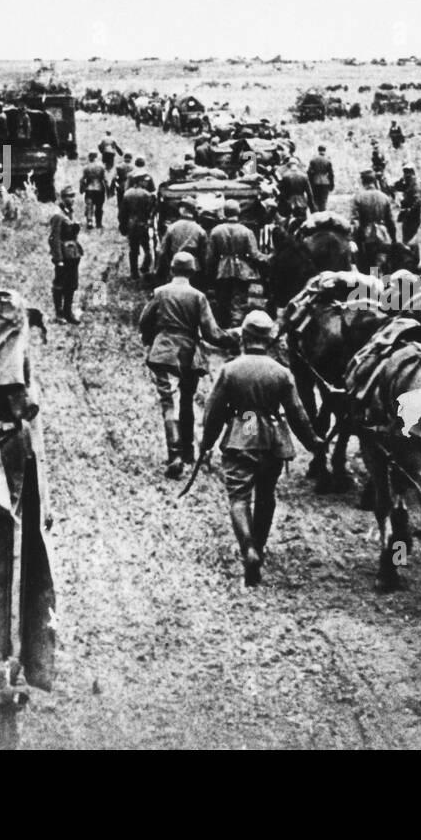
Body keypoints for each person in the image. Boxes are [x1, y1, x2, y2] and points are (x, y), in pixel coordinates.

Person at [199, 310, 324, 586]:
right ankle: (260, 545)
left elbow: (214, 413)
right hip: (271, 438)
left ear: (243, 336)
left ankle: (248, 550)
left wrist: (206, 444)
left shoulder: (230, 370)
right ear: (268, 341)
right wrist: (313, 442)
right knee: (266, 496)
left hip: (241, 435)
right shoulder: (282, 373)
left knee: (239, 498)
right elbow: (297, 413)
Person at [140, 252, 234, 475]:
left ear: (172, 269)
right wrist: (231, 338)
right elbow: (211, 332)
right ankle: (189, 451)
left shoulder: (160, 293)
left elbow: (144, 321)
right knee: (186, 401)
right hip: (190, 354)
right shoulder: (198, 296)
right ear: (192, 271)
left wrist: (151, 340)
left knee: (168, 402)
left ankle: (175, 455)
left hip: (164, 352)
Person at [208, 199, 263, 327]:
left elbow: (210, 256)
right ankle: (237, 325)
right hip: (243, 270)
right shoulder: (246, 231)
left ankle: (224, 327)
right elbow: (254, 254)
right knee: (240, 300)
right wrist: (268, 257)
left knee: (223, 300)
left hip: (223, 269)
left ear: (225, 212)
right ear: (238, 212)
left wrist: (211, 272)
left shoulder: (216, 231)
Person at [47, 186, 84, 324]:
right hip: (63, 255)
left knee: (72, 284)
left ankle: (69, 312)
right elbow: (54, 238)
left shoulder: (69, 212)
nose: (72, 199)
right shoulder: (58, 215)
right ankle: (59, 313)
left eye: (73, 196)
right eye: (69, 196)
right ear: (62, 198)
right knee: (60, 284)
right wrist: (58, 259)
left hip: (73, 254)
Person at [350, 169, 396, 271]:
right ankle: (386, 285)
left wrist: (352, 239)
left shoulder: (358, 198)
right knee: (384, 267)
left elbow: (355, 223)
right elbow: (390, 222)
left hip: (366, 238)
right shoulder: (384, 197)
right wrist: (393, 239)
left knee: (368, 270)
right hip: (383, 236)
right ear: (374, 181)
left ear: (362, 182)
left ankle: (369, 286)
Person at [157, 199, 209, 282]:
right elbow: (204, 254)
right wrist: (205, 273)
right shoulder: (200, 230)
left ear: (182, 210)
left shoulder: (172, 228)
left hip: (176, 266)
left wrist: (160, 273)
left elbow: (163, 252)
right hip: (194, 268)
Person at [121, 171, 156, 280]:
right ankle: (145, 266)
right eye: (144, 181)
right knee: (146, 247)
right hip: (143, 224)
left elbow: (123, 213)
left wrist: (123, 226)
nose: (146, 183)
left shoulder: (127, 194)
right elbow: (151, 210)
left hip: (131, 224)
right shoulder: (146, 194)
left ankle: (134, 272)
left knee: (133, 249)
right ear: (140, 181)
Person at [79, 152, 109, 229]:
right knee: (99, 207)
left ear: (89, 157)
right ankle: (98, 223)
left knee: (89, 206)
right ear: (96, 156)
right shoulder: (102, 166)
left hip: (89, 189)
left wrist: (82, 188)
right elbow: (105, 179)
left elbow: (82, 179)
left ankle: (89, 221)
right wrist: (108, 190)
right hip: (99, 189)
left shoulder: (86, 167)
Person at [396, 164, 421, 243]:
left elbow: (416, 202)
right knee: (407, 238)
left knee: (410, 240)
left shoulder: (415, 185)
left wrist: (408, 210)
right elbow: (397, 187)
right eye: (405, 173)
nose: (406, 175)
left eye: (408, 173)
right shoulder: (408, 184)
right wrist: (401, 180)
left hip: (413, 216)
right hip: (408, 216)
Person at [306, 145, 335, 212]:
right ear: (325, 150)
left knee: (316, 199)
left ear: (318, 150)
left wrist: (310, 182)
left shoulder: (313, 160)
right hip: (325, 182)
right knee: (323, 200)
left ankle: (316, 214)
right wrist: (332, 184)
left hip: (315, 181)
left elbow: (309, 172)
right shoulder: (328, 160)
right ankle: (323, 213)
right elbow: (331, 174)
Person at [114, 152, 135, 222]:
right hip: (130, 187)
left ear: (124, 157)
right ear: (131, 158)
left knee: (120, 203)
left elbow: (115, 177)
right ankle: (128, 218)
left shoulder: (119, 166)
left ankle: (121, 218)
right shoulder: (133, 167)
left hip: (121, 186)